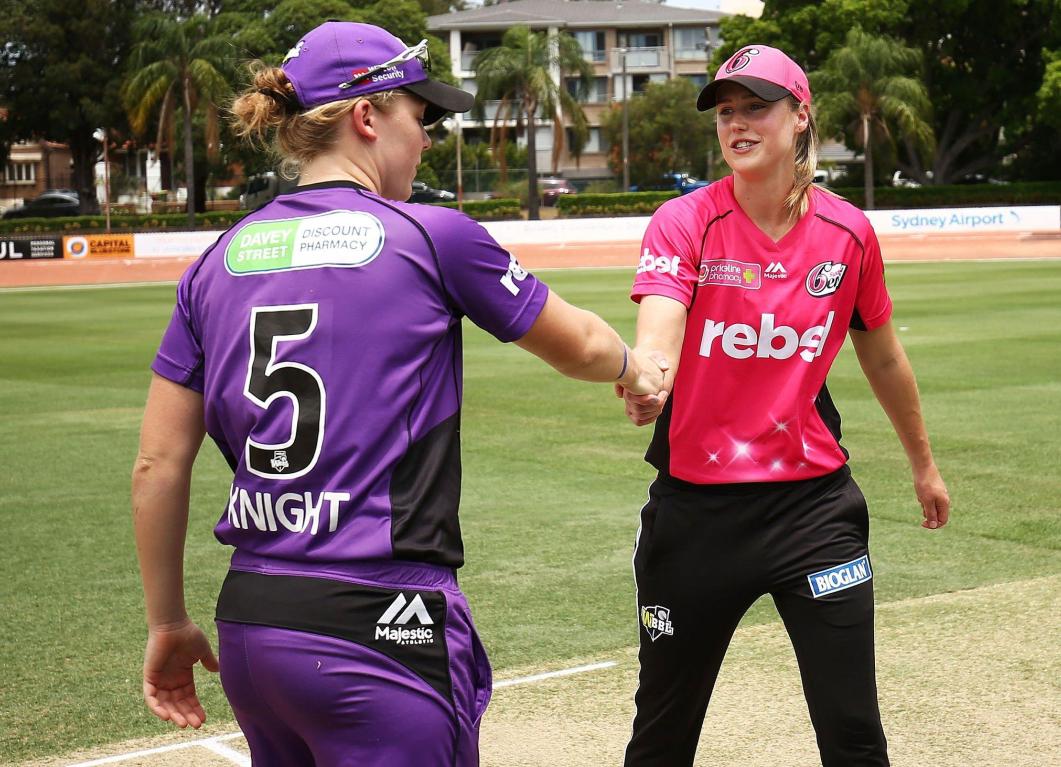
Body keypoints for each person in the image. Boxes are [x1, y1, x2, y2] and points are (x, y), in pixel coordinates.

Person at [131, 21, 665, 767]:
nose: (426, 137)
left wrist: (167, 622)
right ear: (367, 115)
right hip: (383, 624)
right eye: (421, 115)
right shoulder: (430, 235)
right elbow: (578, 343)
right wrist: (633, 369)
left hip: (254, 624)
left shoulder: (215, 261)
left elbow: (157, 464)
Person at [616, 44, 951, 766]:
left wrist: (923, 464)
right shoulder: (684, 222)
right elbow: (660, 323)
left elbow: (883, 354)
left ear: (799, 116)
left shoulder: (847, 233)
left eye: (755, 107)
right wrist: (650, 375)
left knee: (853, 730)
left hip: (813, 515)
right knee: (662, 735)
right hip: (696, 517)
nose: (736, 123)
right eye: (725, 111)